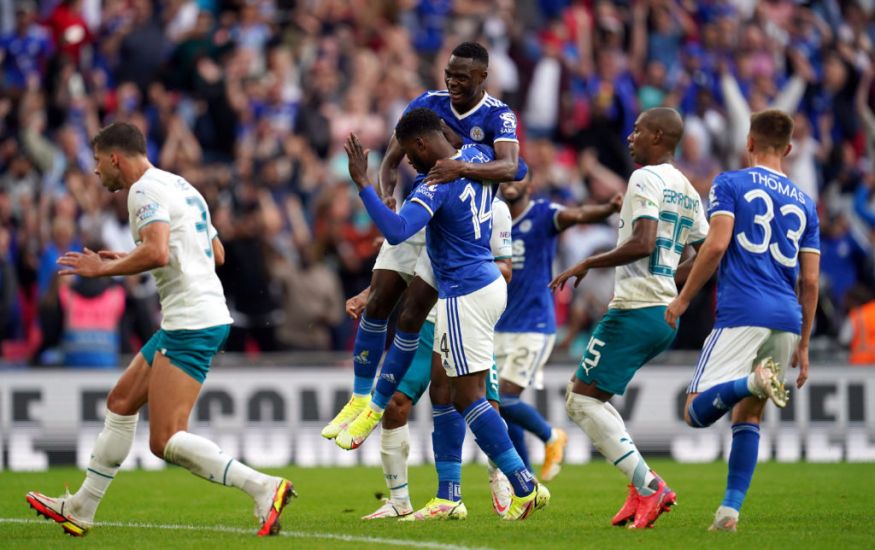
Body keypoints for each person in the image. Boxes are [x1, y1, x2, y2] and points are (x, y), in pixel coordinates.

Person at [25, 122, 294, 537]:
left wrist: (106, 268)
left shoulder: (142, 191)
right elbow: (215, 252)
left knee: (165, 439)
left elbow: (158, 250)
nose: (96, 172)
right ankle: (81, 507)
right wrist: (133, 255)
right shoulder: (179, 184)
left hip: (191, 321)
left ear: (115, 158)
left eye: (98, 162)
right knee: (120, 402)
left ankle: (263, 486)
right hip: (192, 316)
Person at [345, 108, 549, 521]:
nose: (409, 164)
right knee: (461, 394)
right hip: (489, 284)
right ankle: (468, 492)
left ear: (420, 145)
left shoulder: (436, 182)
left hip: (462, 291)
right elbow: (518, 166)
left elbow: (399, 230)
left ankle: (523, 484)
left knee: (466, 397)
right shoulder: (475, 157)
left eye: (408, 156)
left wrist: (364, 184)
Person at [322, 41, 526, 448]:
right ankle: (360, 400)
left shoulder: (498, 115)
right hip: (421, 209)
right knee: (379, 298)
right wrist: (385, 193)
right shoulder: (428, 104)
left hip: (460, 227)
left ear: (482, 77)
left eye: (462, 77)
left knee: (413, 318)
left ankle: (377, 407)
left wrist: (460, 168)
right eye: (449, 73)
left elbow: (513, 168)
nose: (452, 82)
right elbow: (392, 157)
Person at [550, 107, 708, 529]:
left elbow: (643, 241)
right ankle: (640, 488)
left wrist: (589, 261)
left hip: (635, 307)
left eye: (638, 131)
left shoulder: (645, 178)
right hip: (662, 314)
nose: (630, 138)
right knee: (594, 398)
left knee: (579, 400)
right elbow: (708, 250)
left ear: (658, 136)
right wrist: (675, 285)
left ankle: (649, 484)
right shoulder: (686, 187)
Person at [665, 109, 820, 532]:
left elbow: (715, 247)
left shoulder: (730, 183)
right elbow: (809, 281)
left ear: (748, 142)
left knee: (695, 412)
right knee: (748, 418)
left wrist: (682, 300)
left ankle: (751, 382)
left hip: (741, 313)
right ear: (788, 149)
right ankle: (729, 513)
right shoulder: (806, 203)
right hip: (787, 318)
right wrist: (804, 345)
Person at [347, 196, 515, 520]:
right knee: (395, 402)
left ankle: (502, 476)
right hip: (426, 318)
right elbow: (409, 260)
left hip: (468, 313)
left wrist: (463, 263)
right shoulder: (432, 196)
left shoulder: (495, 209)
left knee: (481, 404)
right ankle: (400, 501)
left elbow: (505, 269)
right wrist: (370, 294)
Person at [496, 175, 622, 482]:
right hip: (499, 323)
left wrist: (607, 208)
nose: (512, 183)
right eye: (507, 178)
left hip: (535, 323)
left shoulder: (543, 213)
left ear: (530, 185)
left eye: (519, 177)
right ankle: (523, 477)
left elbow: (577, 214)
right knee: (500, 405)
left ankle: (551, 436)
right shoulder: (493, 217)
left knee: (505, 398)